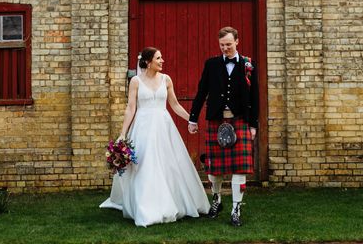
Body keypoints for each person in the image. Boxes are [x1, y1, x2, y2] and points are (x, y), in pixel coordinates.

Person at [100, 47, 210, 227]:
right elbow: (131, 108)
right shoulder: (136, 81)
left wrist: (192, 120)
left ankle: (174, 201)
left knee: (169, 164)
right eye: (158, 58)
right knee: (145, 165)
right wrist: (123, 133)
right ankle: (146, 207)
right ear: (148, 61)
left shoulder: (166, 79)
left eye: (161, 58)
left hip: (163, 126)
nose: (162, 61)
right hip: (143, 127)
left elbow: (174, 105)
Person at [188, 26, 258, 227]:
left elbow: (254, 96)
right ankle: (217, 199)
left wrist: (253, 124)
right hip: (217, 120)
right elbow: (201, 92)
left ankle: (236, 208)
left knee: (240, 168)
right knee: (214, 168)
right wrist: (193, 118)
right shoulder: (211, 64)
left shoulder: (248, 65)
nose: (225, 48)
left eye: (228, 44)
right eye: (222, 45)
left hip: (240, 120)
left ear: (237, 41)